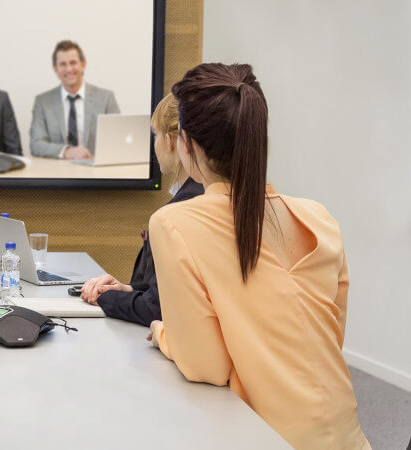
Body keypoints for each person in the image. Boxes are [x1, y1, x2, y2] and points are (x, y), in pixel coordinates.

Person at [146, 63, 369, 449]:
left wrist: (163, 333)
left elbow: (206, 367)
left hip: (268, 438)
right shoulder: (320, 217)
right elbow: (325, 340)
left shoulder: (174, 224)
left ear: (186, 144)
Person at [79, 93, 203, 325]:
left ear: (170, 141)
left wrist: (106, 298)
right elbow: (168, 288)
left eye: (155, 135)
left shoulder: (182, 210)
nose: (154, 144)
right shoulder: (202, 195)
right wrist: (127, 289)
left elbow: (156, 308)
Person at [30, 40, 120, 159]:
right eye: (63, 64)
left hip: (95, 166)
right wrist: (66, 151)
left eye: (73, 63)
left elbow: (117, 139)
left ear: (83, 65)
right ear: (55, 69)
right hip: (58, 168)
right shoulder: (42, 102)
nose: (68, 69)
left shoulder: (106, 98)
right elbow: (36, 144)